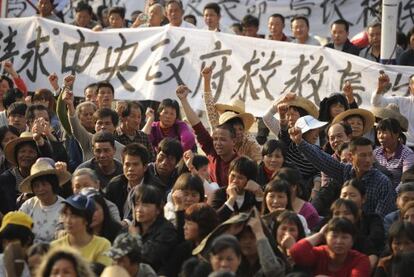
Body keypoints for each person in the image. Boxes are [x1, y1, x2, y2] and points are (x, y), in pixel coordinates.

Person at [289, 128, 396, 217]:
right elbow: (322, 159)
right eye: (363, 155)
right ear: (350, 157)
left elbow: (381, 219)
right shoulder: (346, 171)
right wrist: (300, 142)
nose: (368, 160)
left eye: (370, 155)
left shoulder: (383, 182)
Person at [177, 85, 237, 187]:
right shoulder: (212, 150)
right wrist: (183, 100)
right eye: (215, 139)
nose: (217, 143)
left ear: (234, 141)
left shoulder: (239, 164)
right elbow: (197, 126)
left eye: (222, 140)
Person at [201, 66, 261, 162]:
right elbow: (209, 105)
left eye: (240, 128)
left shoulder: (250, 141)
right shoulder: (218, 127)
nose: (238, 132)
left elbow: (259, 161)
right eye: (233, 128)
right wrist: (206, 80)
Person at [291, 218, 371, 276]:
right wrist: (319, 235)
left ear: (352, 241)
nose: (339, 241)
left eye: (344, 237)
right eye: (334, 236)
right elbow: (296, 251)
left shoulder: (360, 260)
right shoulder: (319, 253)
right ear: (325, 237)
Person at [106, 143, 164, 220]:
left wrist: (127, 223)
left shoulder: (155, 188)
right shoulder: (115, 184)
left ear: (145, 167)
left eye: (135, 164)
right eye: (127, 165)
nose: (130, 169)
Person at [19, 158, 71, 243]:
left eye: (44, 184)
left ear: (53, 184)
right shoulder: (29, 205)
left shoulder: (65, 207)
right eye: (36, 185)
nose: (40, 189)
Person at [52, 194, 112, 266]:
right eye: (65, 214)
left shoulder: (102, 245)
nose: (68, 221)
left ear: (86, 219)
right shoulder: (54, 246)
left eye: (74, 216)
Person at [0, 130, 53, 213]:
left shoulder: (43, 175)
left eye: (31, 152)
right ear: (16, 155)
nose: (26, 155)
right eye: (22, 151)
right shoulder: (5, 179)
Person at [162, 203, 219, 277]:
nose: (184, 227)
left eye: (189, 223)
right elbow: (168, 270)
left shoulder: (216, 249)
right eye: (185, 223)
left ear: (203, 225)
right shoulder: (184, 248)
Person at [130, 184, 178, 273]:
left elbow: (149, 257)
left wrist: (135, 238)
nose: (139, 209)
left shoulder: (167, 231)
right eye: (136, 204)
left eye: (145, 205)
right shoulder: (132, 227)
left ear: (158, 209)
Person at [330, 194, 385, 267]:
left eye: (347, 213)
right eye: (336, 213)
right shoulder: (325, 235)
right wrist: (320, 234)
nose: (341, 216)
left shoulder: (361, 240)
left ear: (355, 218)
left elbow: (373, 256)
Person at [209, 156, 262, 222]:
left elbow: (262, 216)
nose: (235, 180)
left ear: (250, 180)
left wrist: (259, 196)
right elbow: (213, 220)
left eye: (240, 178)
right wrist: (231, 199)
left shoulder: (252, 196)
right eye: (233, 175)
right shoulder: (218, 194)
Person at [371, 73, 414, 148]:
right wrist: (379, 89)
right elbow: (377, 103)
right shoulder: (401, 101)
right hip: (405, 147)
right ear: (410, 88)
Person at [374, 118, 414, 187]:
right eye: (379, 133)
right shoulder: (375, 153)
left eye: (384, 132)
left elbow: (406, 181)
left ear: (396, 134)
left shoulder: (407, 154)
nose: (380, 136)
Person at [0, 211, 34, 277]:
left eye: (12, 241)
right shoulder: (1, 261)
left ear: (28, 240)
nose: (8, 246)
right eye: (4, 242)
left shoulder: (36, 262)